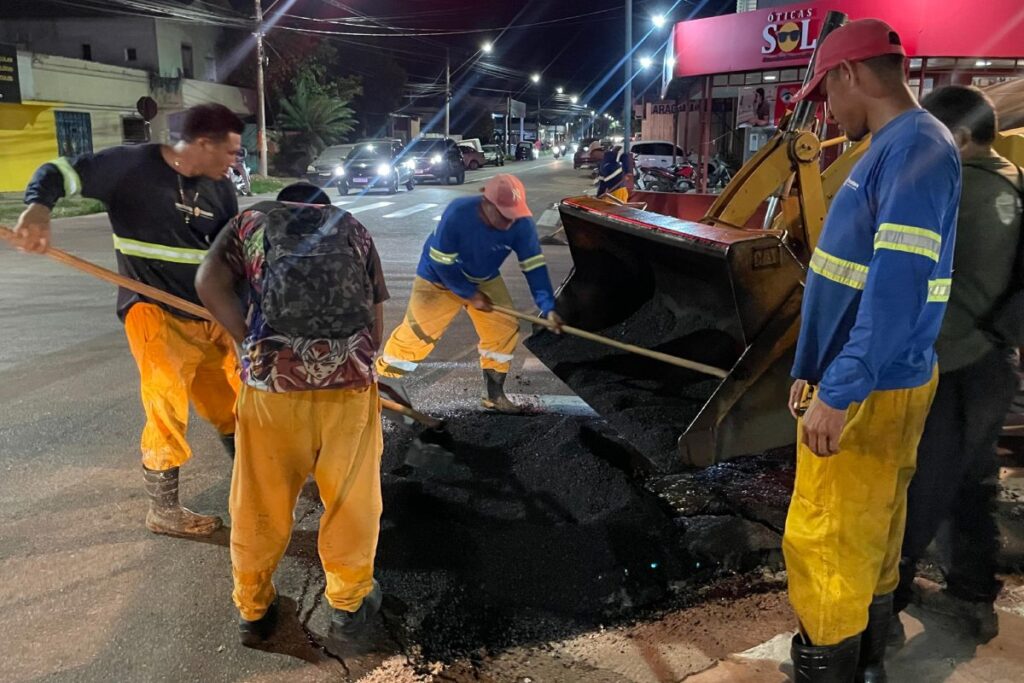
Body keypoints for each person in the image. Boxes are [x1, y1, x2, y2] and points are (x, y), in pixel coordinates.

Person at [783, 19, 960, 681]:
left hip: (870, 390)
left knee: (826, 542)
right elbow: (856, 278)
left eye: (825, 92)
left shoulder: (913, 147)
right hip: (876, 381)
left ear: (850, 73)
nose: (827, 110)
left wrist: (840, 386)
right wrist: (809, 369)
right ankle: (866, 666)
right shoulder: (902, 146)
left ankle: (831, 667)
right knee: (867, 537)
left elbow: (897, 285)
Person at [14, 103, 244, 538]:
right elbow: (57, 171)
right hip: (153, 308)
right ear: (202, 144)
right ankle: (164, 509)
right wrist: (38, 209)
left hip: (208, 313)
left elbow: (234, 256)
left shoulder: (221, 190)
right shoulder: (129, 166)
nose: (234, 162)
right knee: (166, 401)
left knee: (232, 401)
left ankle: (254, 481)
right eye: (230, 152)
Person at [195, 182, 389, 649]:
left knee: (260, 500)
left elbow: (207, 282)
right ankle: (347, 607)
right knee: (350, 499)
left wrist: (248, 342)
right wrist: (354, 362)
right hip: (349, 390)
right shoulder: (353, 227)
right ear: (323, 206)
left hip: (272, 390)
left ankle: (254, 608)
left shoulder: (250, 223)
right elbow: (375, 323)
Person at [893, 85, 1024, 643]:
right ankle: (972, 594)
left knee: (917, 488)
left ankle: (882, 610)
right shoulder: (1014, 182)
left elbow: (910, 279)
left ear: (961, 138)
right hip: (996, 360)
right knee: (974, 481)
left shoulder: (955, 189)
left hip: (949, 363)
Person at [375, 174, 561, 413]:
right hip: (438, 278)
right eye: (502, 214)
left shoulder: (521, 224)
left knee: (503, 328)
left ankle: (494, 396)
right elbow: (442, 262)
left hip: (483, 277)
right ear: (485, 202)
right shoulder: (459, 213)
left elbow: (533, 266)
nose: (508, 222)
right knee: (418, 335)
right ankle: (383, 387)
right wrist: (468, 294)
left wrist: (548, 307)